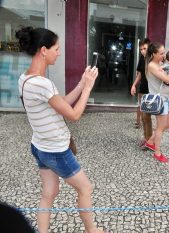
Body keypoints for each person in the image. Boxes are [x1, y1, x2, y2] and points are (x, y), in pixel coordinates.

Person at [16, 27, 107, 233]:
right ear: (43, 50)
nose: (59, 53)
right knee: (86, 188)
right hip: (56, 150)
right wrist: (88, 88)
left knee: (49, 193)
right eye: (56, 48)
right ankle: (91, 230)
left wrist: (82, 82)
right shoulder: (43, 84)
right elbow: (73, 115)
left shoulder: (26, 79)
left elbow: (62, 103)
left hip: (39, 146)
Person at [144, 42, 169, 163]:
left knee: (167, 125)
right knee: (160, 127)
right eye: (161, 53)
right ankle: (157, 152)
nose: (164, 55)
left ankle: (149, 142)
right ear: (153, 54)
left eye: (164, 52)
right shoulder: (152, 65)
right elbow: (167, 79)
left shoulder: (160, 63)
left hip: (167, 97)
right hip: (160, 99)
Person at [131, 38, 153, 149]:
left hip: (151, 92)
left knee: (147, 117)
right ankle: (146, 138)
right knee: (144, 118)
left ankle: (150, 141)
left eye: (145, 48)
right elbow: (140, 73)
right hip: (142, 90)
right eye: (141, 49)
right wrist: (134, 85)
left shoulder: (154, 60)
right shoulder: (142, 58)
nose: (142, 51)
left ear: (150, 48)